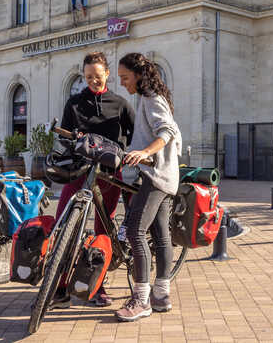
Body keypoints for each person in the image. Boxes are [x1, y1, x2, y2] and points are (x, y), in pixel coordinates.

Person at [52, 51, 134, 308]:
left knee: (102, 229)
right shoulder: (74, 103)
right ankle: (61, 285)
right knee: (63, 224)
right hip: (78, 171)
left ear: (107, 74)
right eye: (88, 77)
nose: (93, 81)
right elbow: (64, 136)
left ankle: (98, 286)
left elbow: (135, 134)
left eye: (97, 76)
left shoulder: (120, 104)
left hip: (108, 175)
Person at [115, 52, 181, 322]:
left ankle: (141, 300)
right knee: (162, 235)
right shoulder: (150, 97)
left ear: (139, 75)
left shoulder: (151, 97)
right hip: (167, 176)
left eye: (125, 77)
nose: (122, 83)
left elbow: (167, 132)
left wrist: (144, 152)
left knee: (134, 231)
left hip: (155, 176)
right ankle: (161, 295)